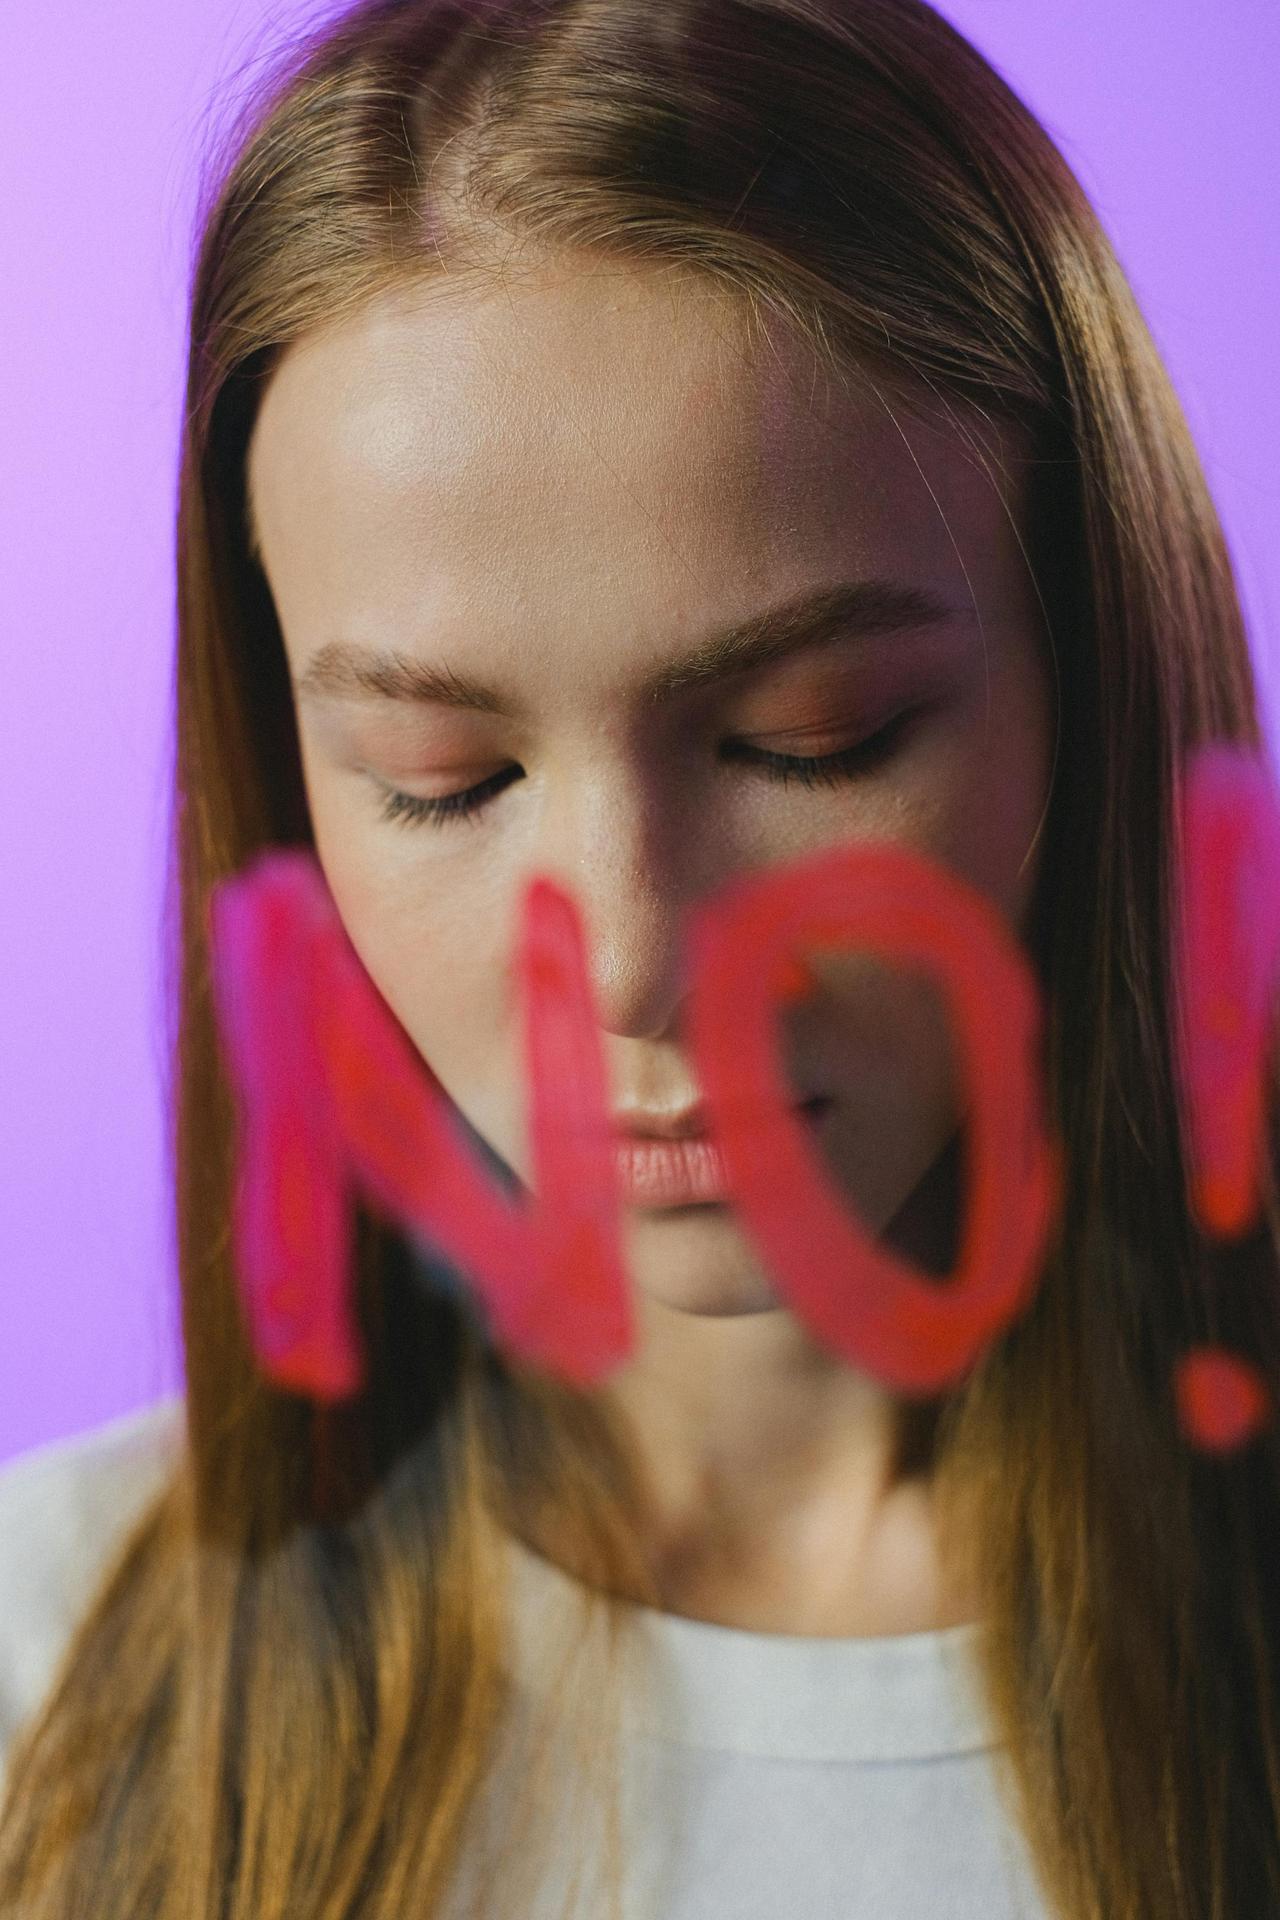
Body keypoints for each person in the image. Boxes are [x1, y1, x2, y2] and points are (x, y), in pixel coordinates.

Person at [2, 0, 1278, 1913]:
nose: (619, 964)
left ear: (1093, 675)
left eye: (811, 741)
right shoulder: (49, 1673)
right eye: (444, 782)